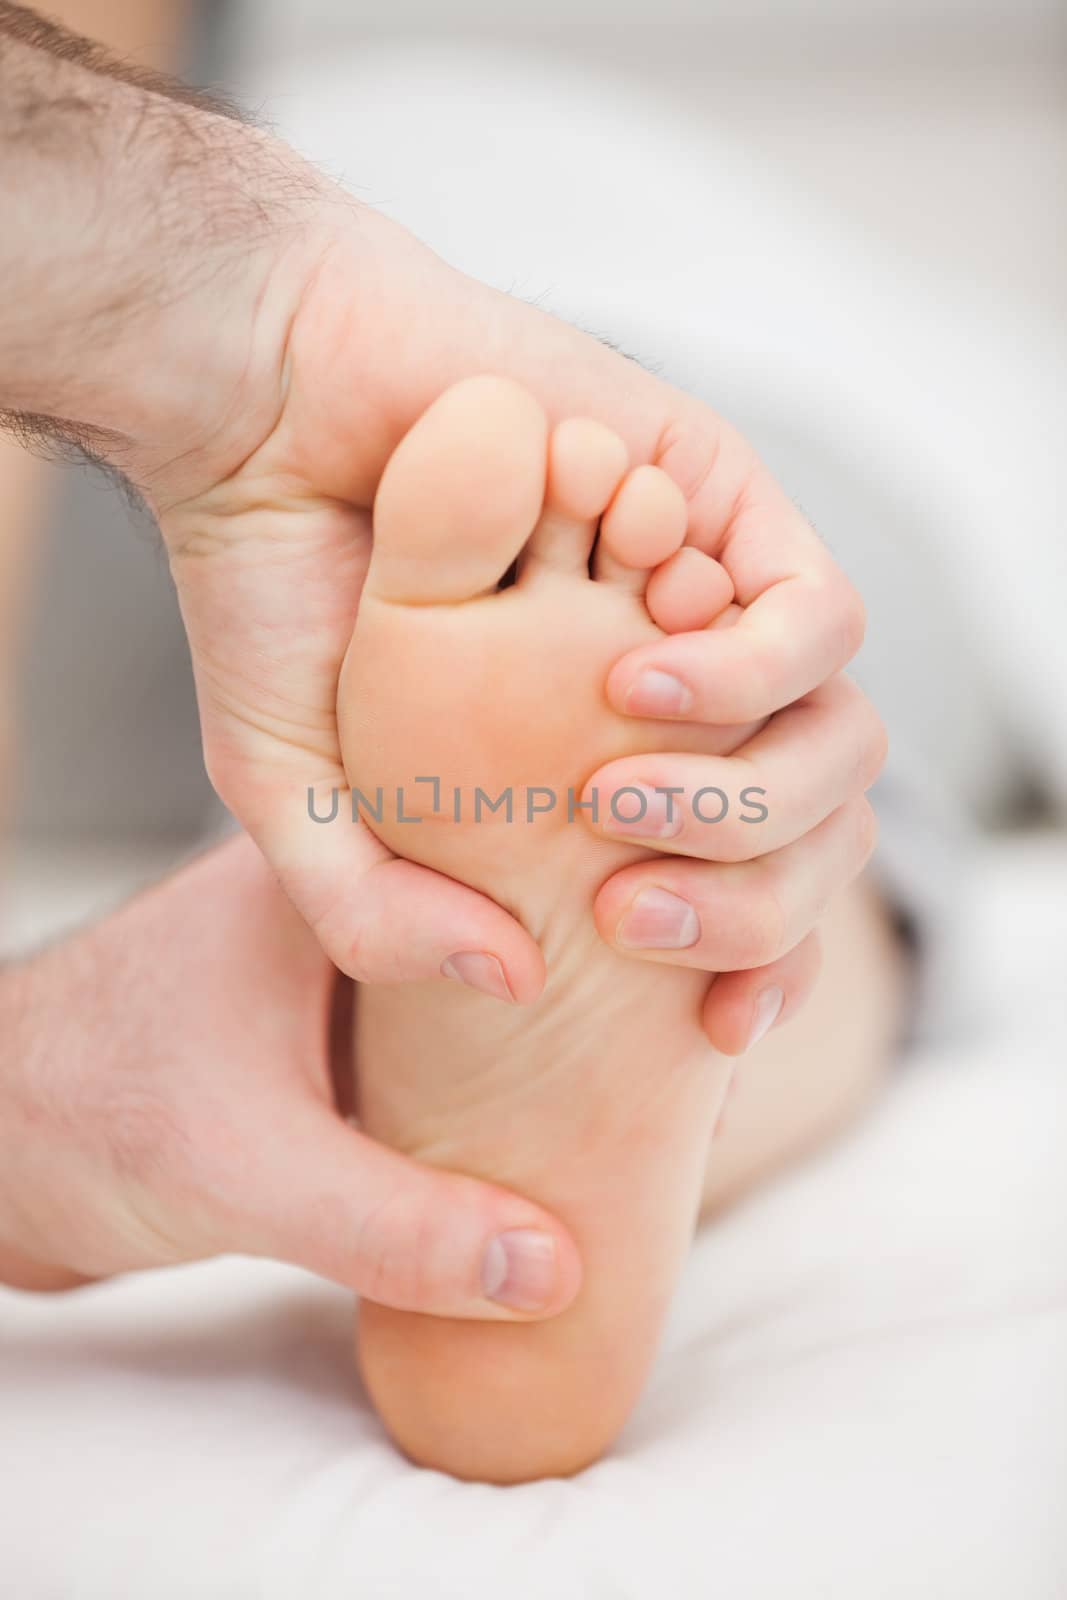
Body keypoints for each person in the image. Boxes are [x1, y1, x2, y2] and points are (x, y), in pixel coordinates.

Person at [0, 6, 886, 1327]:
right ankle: (623, 1049)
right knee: (715, 740)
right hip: (144, 354)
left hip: (177, 396)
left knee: (736, 688)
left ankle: (507, 987)